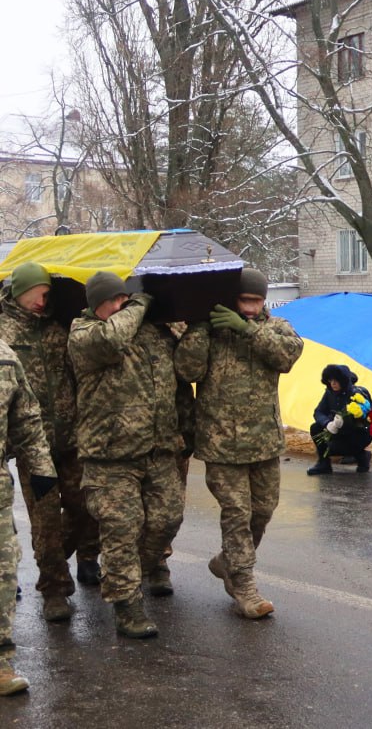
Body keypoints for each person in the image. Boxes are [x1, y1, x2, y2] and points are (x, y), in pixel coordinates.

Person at [175, 268, 302, 620]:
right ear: (232, 299)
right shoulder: (212, 332)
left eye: (257, 301)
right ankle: (244, 586)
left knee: (262, 512)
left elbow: (287, 356)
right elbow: (187, 370)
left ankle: (226, 562)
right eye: (245, 301)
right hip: (220, 444)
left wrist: (248, 330)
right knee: (238, 515)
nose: (250, 307)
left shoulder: (275, 328)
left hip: (264, 442)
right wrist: (201, 326)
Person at [67, 271, 185, 638]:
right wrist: (141, 302)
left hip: (158, 449)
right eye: (113, 302)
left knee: (167, 520)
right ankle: (127, 607)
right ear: (94, 306)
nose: (121, 307)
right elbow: (113, 337)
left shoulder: (150, 332)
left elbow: (186, 369)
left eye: (124, 299)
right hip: (109, 456)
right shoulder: (84, 334)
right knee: (121, 529)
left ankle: (130, 575)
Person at [0, 262, 99, 623]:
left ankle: (80, 556)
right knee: (45, 522)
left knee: (87, 508)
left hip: (72, 439)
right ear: (19, 291)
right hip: (31, 446)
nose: (44, 301)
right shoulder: (4, 334)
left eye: (47, 294)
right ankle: (55, 590)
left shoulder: (61, 328)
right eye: (38, 295)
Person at [0, 339, 58, 694]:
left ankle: (0, 660)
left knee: (4, 570)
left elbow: (27, 417)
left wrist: (40, 467)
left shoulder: (4, 357)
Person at [306, 364, 372, 475]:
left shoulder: (357, 394)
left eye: (336, 380)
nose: (333, 383)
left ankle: (362, 456)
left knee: (335, 448)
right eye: (330, 380)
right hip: (337, 430)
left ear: (343, 381)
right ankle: (324, 464)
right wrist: (327, 423)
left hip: (358, 433)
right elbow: (318, 412)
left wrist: (345, 421)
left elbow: (366, 420)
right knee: (315, 427)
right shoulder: (329, 393)